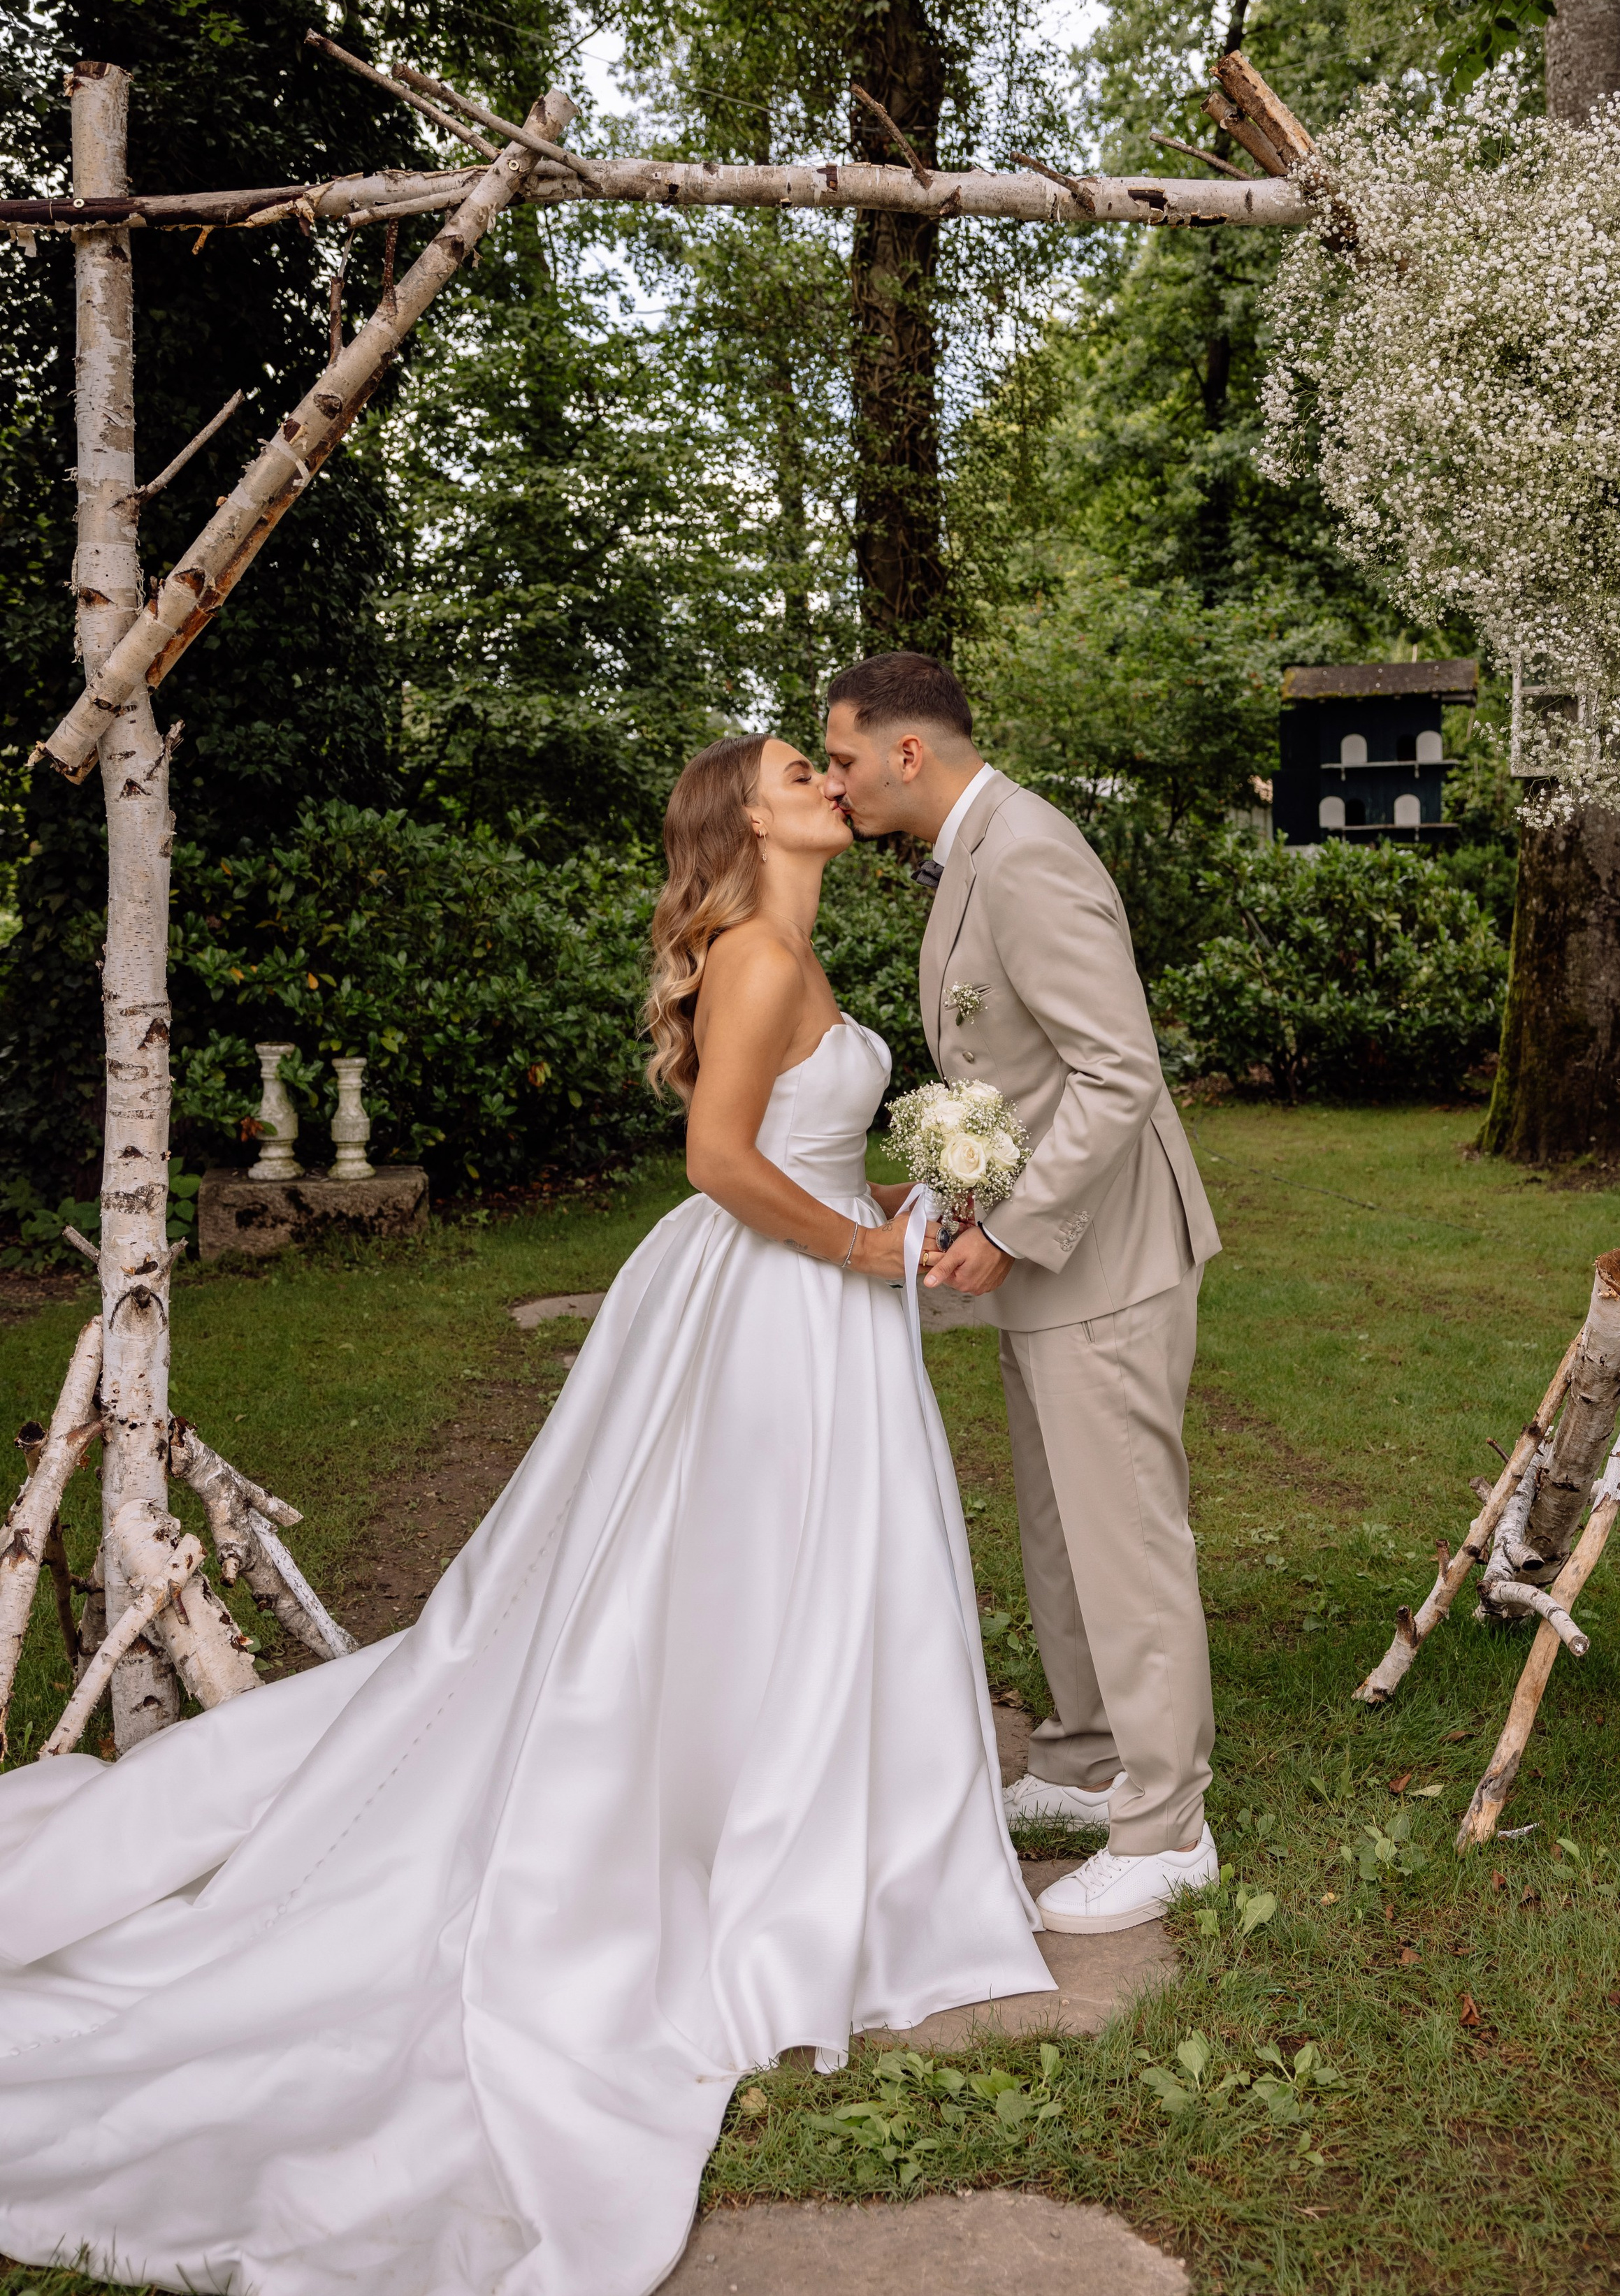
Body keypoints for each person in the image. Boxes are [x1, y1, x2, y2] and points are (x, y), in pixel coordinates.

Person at [0, 733, 1050, 2296]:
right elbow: (717, 1163)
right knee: (742, 1565)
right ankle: (723, 1823)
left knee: (793, 1566)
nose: (827, 782)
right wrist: (855, 1245)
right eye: (795, 771)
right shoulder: (761, 955)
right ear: (742, 819)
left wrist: (898, 1201)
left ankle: (808, 1805)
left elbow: (789, 1142)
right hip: (770, 1303)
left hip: (809, 1291)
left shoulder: (788, 948)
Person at [823, 652, 1224, 1935]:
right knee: (1059, 1527)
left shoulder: (1029, 852)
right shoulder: (969, 853)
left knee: (1126, 1533)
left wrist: (1013, 1225)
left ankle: (1169, 1828)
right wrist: (950, 1193)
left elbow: (1120, 1071)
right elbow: (1023, 1078)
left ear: (907, 752)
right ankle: (1087, 1756)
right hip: (1045, 1258)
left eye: (841, 757)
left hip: (1105, 1255)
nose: (833, 781)